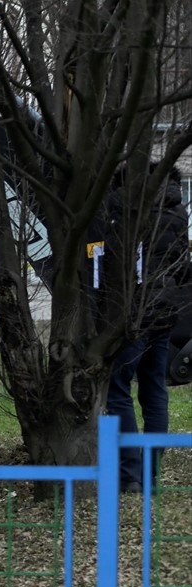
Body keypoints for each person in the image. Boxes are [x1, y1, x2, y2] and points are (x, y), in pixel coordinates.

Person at [104, 165, 191, 493]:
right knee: (155, 390)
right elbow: (180, 266)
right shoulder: (176, 212)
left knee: (117, 388)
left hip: (133, 313)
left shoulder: (123, 211)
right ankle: (151, 473)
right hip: (166, 313)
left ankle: (131, 475)